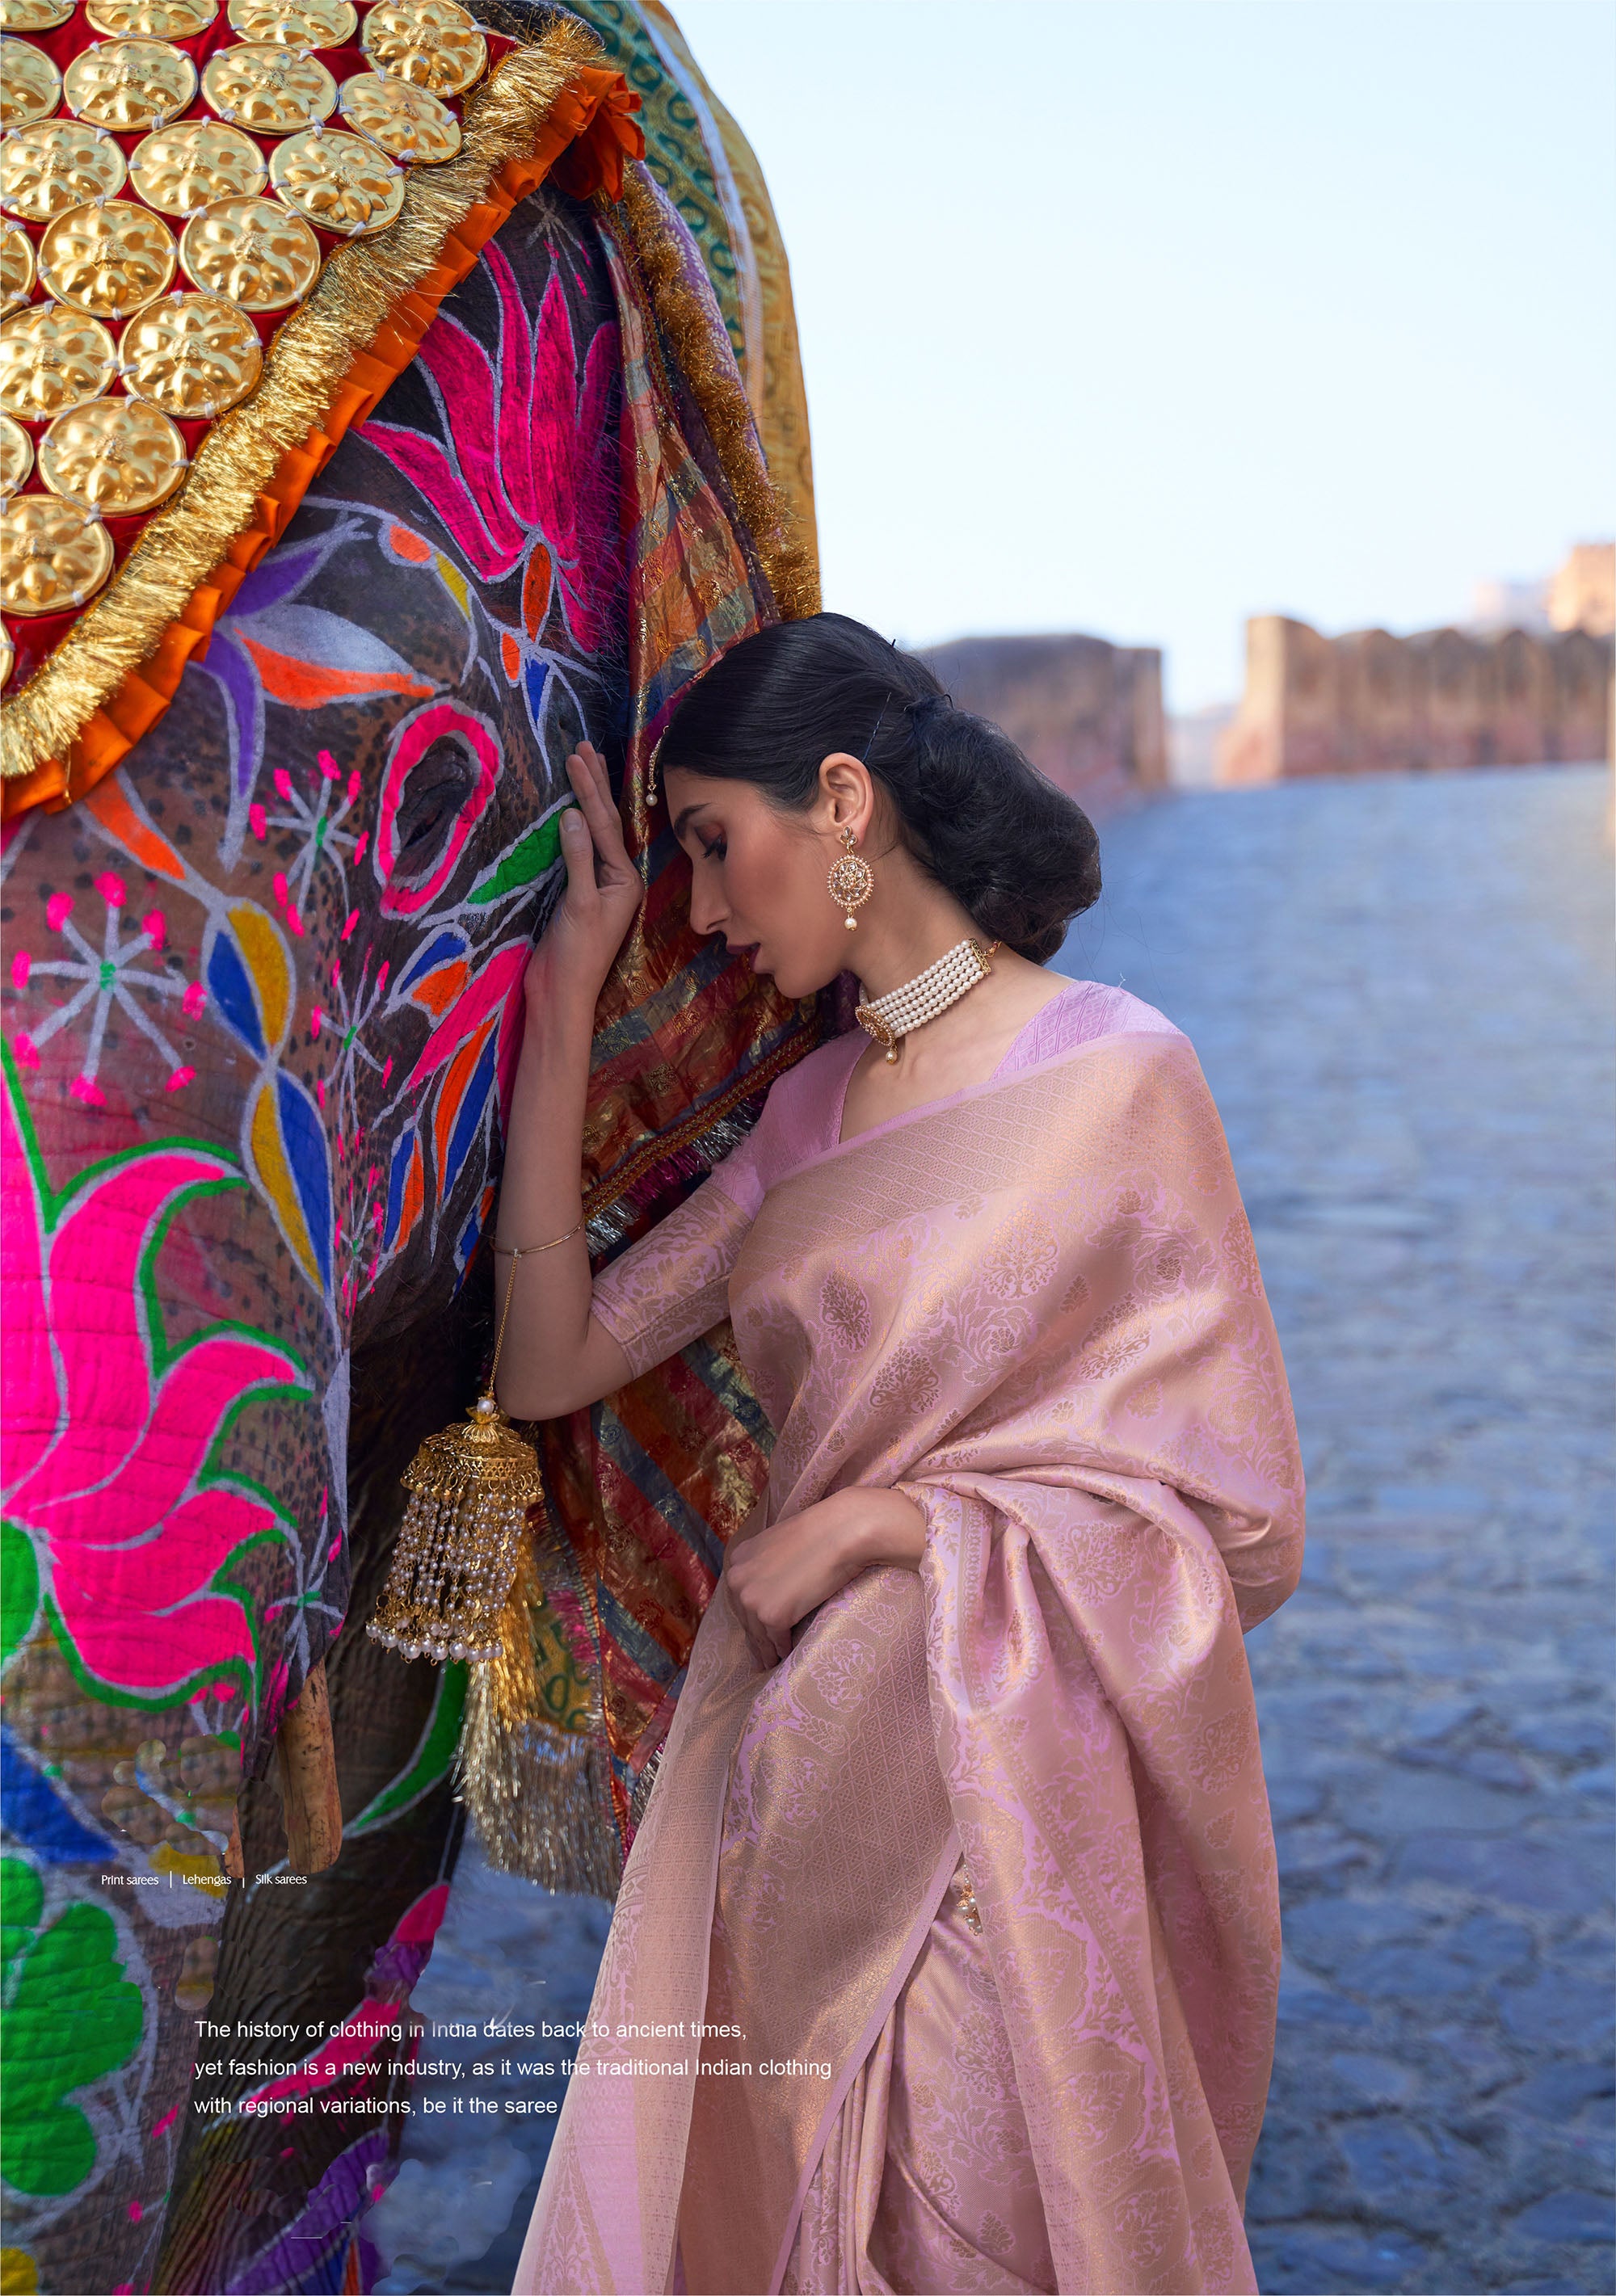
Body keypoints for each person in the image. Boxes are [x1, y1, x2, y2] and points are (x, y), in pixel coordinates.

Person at [503, 613, 1305, 2296]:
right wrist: (564, 999)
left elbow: (1237, 1524)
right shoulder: (802, 1123)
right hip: (796, 1791)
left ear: (845, 800)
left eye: (714, 843)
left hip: (1000, 1816)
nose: (701, 911)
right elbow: (549, 1360)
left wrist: (895, 1523)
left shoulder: (1117, 1077)